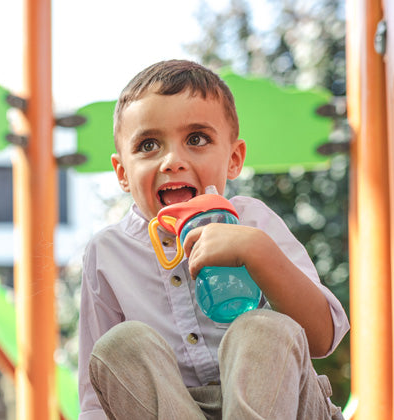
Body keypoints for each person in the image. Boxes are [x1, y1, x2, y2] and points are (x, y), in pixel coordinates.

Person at [78, 59, 349, 420]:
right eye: (148, 145)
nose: (172, 160)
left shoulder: (254, 221)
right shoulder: (107, 253)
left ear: (234, 158)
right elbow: (96, 399)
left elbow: (322, 337)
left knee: (260, 327)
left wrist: (256, 251)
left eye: (196, 139)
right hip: (174, 410)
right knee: (120, 346)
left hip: (282, 404)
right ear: (122, 173)